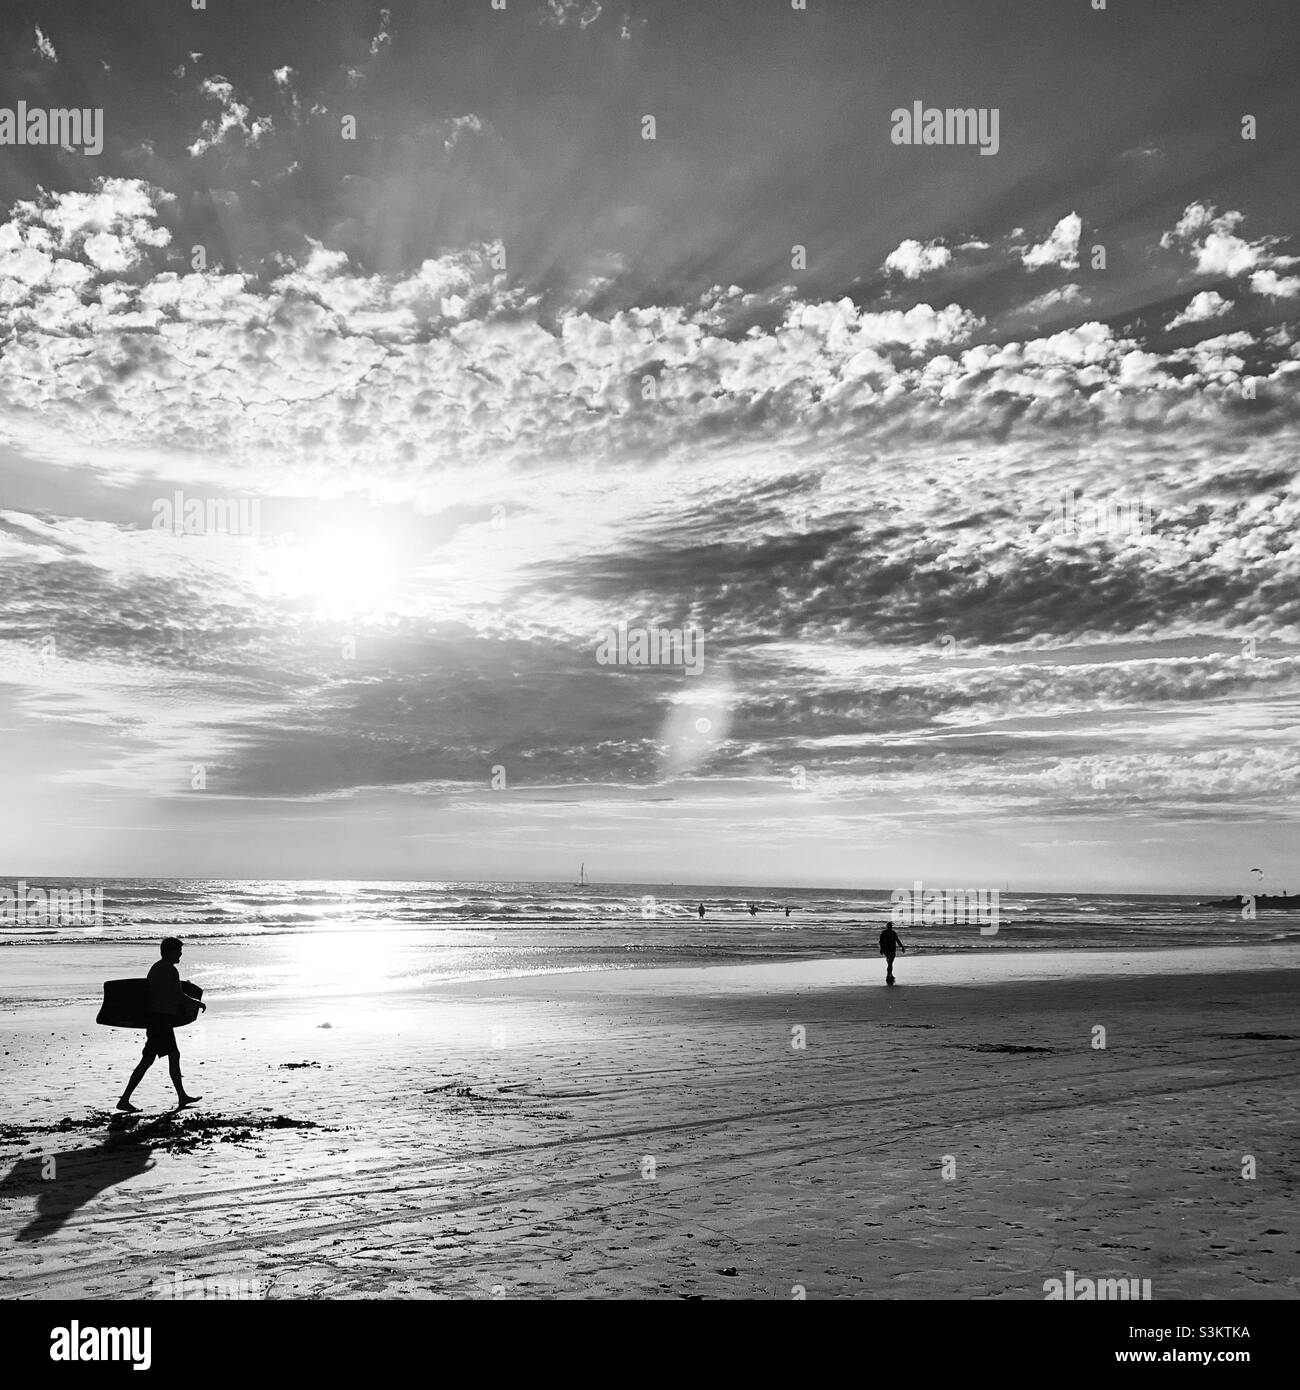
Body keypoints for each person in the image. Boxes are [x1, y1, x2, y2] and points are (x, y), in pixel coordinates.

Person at [117, 937, 205, 1112]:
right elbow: (177, 996)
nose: (180, 954)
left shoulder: (156, 968)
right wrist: (196, 1002)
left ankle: (181, 1096)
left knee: (155, 1058)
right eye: (178, 951)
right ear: (171, 952)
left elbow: (163, 993)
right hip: (161, 1021)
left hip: (155, 1020)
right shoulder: (169, 970)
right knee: (162, 1057)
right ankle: (126, 1100)